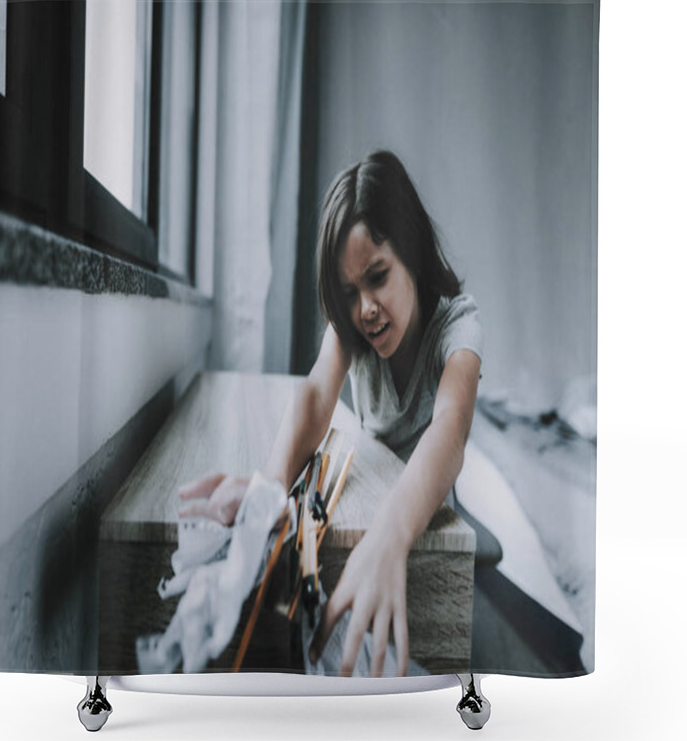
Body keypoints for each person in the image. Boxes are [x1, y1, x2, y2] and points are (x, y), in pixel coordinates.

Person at [178, 150, 483, 677]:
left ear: (410, 250)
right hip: (365, 497)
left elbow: (449, 431)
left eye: (378, 277)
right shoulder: (355, 325)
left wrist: (391, 534)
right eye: (350, 292)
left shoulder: (459, 331)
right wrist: (270, 489)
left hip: (418, 515)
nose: (365, 307)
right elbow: (317, 395)